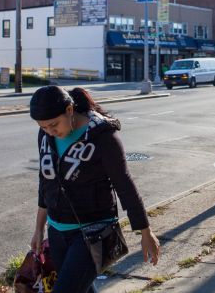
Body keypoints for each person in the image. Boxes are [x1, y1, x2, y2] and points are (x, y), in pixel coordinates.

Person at [29, 86, 160, 292]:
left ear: (70, 110)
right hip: (57, 231)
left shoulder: (103, 136)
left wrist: (145, 231)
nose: (50, 131)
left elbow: (124, 184)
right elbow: (47, 180)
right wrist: (38, 228)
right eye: (43, 127)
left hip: (94, 233)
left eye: (54, 125)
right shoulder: (46, 136)